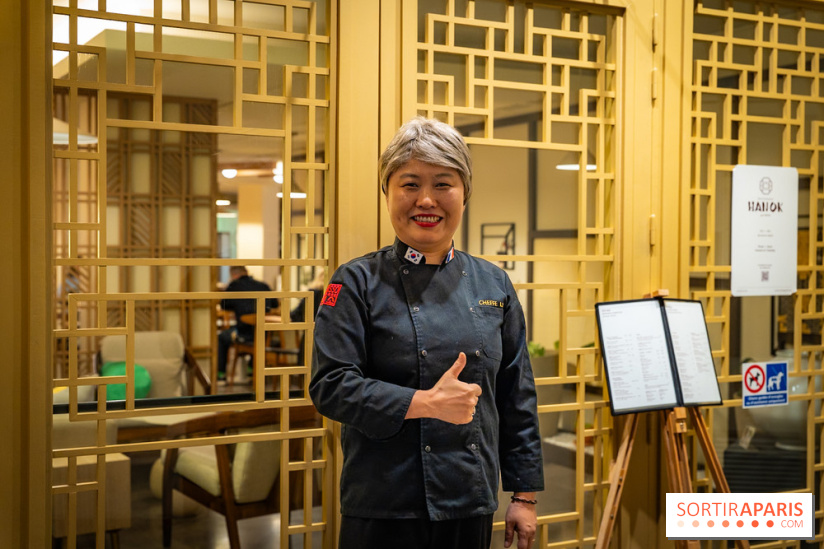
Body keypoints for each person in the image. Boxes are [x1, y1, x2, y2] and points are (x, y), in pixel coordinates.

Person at [309, 117, 543, 549]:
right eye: (410, 184)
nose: (427, 200)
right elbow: (330, 386)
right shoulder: (354, 282)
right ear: (388, 192)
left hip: (469, 498)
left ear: (464, 193)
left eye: (443, 184)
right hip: (382, 499)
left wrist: (523, 494)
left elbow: (516, 394)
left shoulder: (494, 285)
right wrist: (424, 404)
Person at [217, 266, 278, 381]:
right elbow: (274, 304)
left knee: (221, 337)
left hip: (242, 334)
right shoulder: (263, 285)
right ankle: (252, 368)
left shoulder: (234, 286)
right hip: (264, 335)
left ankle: (221, 373)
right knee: (257, 332)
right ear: (246, 272)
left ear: (234, 275)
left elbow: (223, 304)